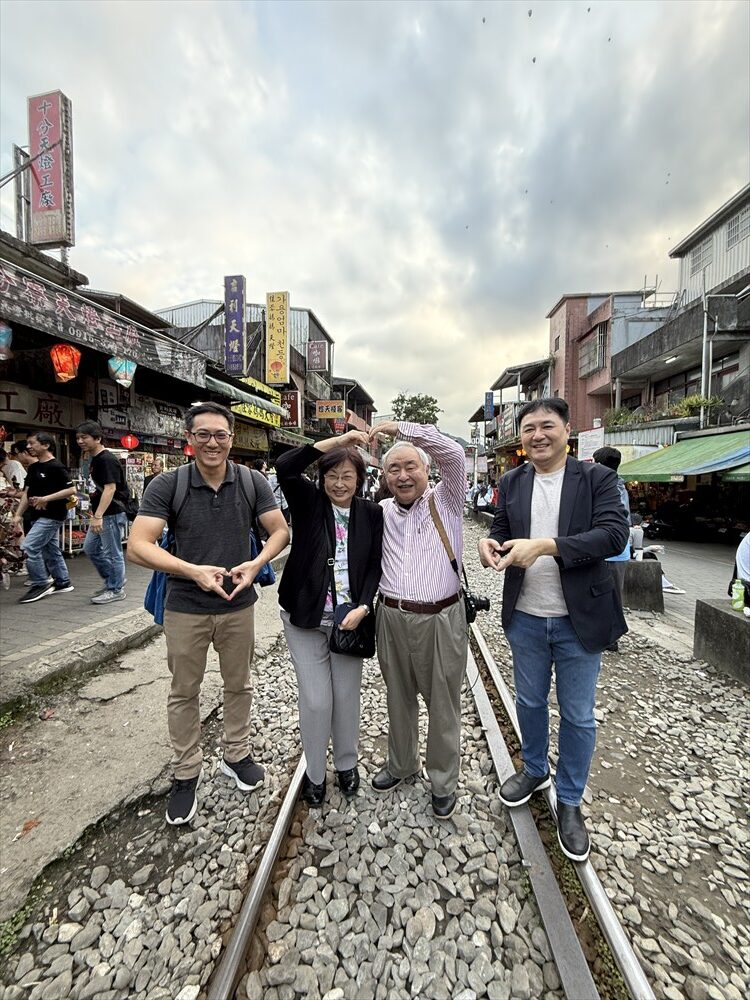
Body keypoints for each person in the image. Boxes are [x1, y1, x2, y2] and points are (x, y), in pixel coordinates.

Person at [478, 398, 629, 861]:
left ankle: (570, 800)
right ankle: (535, 768)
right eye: (529, 428)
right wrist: (489, 542)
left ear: (567, 429)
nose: (537, 435)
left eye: (547, 426)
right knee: (529, 701)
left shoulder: (597, 479)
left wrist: (547, 546)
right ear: (521, 437)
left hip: (578, 618)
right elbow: (502, 525)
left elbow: (613, 535)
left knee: (578, 715)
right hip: (526, 614)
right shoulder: (513, 480)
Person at [127, 402, 290, 825]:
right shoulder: (169, 484)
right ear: (190, 439)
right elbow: (138, 545)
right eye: (203, 434)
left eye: (220, 434)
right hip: (185, 607)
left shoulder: (252, 481)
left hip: (238, 605)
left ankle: (237, 754)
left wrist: (257, 564)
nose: (212, 443)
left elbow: (279, 531)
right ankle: (186, 772)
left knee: (239, 684)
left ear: (231, 439)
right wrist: (191, 571)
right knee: (184, 690)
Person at [367, 419, 468, 820]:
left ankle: (443, 782)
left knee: (443, 704)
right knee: (397, 697)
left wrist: (402, 430)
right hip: (391, 617)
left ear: (427, 470)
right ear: (385, 476)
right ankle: (402, 764)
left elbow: (454, 454)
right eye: (394, 469)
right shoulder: (380, 512)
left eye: (411, 466)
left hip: (441, 617)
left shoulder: (447, 500)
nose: (403, 475)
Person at [276, 430, 383, 806]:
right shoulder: (308, 502)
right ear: (321, 479)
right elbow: (285, 466)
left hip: (348, 621)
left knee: (347, 697)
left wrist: (364, 606)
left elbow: (374, 565)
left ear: (360, 480)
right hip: (305, 618)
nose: (339, 483)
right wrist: (340, 441)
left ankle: (347, 763)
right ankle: (316, 773)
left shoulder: (371, 513)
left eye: (347, 476)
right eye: (332, 476)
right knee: (317, 700)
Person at [11, 432, 75, 604]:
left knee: (29, 546)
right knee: (50, 549)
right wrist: (18, 515)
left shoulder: (56, 467)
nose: (29, 447)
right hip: (37, 515)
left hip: (53, 515)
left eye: (32, 443)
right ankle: (63, 582)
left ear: (46, 445)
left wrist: (46, 499)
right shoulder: (33, 468)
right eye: (28, 444)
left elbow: (71, 490)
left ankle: (40, 583)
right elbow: (27, 493)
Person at [76, 421, 129, 605]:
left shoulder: (106, 459)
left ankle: (116, 589)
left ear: (97, 438)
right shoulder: (95, 459)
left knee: (112, 552)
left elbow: (110, 488)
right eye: (78, 438)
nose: (80, 441)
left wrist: (98, 515)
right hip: (102, 514)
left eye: (84, 437)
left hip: (110, 513)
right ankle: (114, 580)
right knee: (90, 548)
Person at [592, 446, 631, 652]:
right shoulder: (619, 485)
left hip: (611, 552)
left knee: (610, 595)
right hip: (617, 552)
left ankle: (612, 637)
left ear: (599, 464)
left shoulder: (612, 488)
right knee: (611, 594)